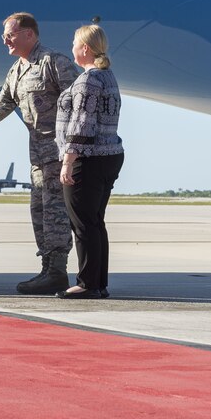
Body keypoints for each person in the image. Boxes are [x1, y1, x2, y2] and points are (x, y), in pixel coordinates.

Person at [0, 13, 79, 294]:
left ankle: (57, 272)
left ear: (30, 34)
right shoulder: (16, 71)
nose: (5, 39)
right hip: (38, 158)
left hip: (60, 154)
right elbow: (2, 105)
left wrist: (75, 149)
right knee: (39, 213)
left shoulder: (53, 62)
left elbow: (81, 103)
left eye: (10, 34)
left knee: (55, 216)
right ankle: (47, 269)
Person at [56, 25, 124, 299]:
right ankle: (97, 283)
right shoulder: (108, 77)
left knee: (83, 223)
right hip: (109, 155)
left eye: (74, 43)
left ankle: (86, 284)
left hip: (89, 157)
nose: (71, 47)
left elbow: (81, 124)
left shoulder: (87, 80)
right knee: (95, 221)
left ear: (84, 48)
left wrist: (67, 160)